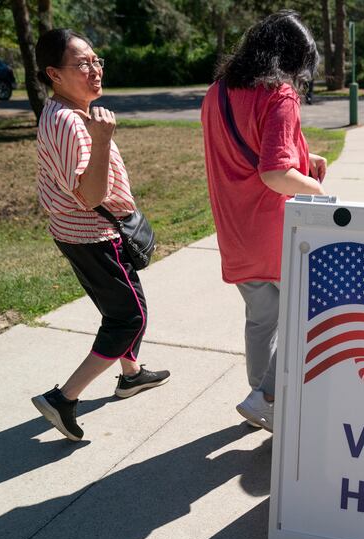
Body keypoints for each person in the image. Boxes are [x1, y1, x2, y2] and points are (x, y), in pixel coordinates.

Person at [30, 29, 170, 442]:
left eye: (96, 61)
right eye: (82, 64)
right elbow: (91, 195)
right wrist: (103, 137)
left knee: (123, 307)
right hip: (93, 233)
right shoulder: (71, 124)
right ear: (54, 73)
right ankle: (63, 398)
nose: (94, 70)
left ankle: (131, 375)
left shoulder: (64, 113)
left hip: (78, 232)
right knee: (130, 317)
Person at [200, 11, 326, 432]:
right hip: (275, 231)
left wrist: (306, 162)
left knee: (261, 318)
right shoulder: (281, 94)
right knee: (308, 318)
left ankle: (261, 396)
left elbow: (245, 152)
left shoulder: (217, 92)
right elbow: (273, 174)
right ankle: (267, 396)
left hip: (234, 229)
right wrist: (321, 192)